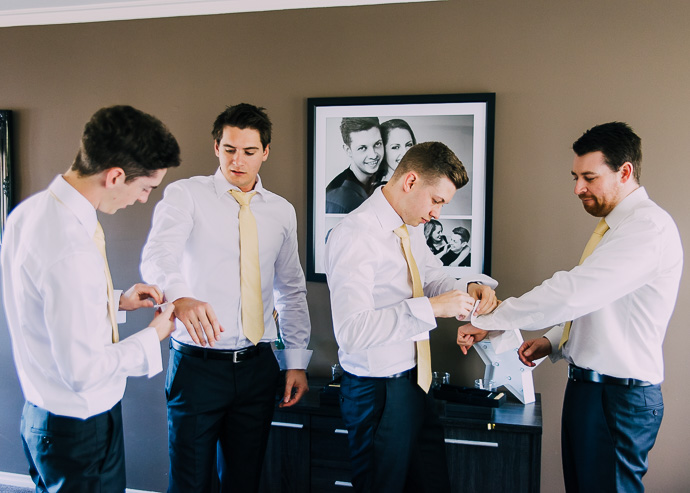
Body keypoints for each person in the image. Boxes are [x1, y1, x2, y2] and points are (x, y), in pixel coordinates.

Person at [457, 122, 683, 493]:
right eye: (576, 177)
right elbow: (600, 303)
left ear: (625, 171)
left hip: (617, 399)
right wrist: (552, 340)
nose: (578, 188)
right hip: (593, 393)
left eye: (589, 177)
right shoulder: (619, 228)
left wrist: (490, 317)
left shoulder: (647, 229)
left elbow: (573, 292)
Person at [0, 105, 180, 492]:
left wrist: (116, 300)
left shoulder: (29, 213)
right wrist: (153, 335)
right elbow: (83, 371)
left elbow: (41, 299)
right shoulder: (71, 246)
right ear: (115, 176)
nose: (144, 200)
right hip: (79, 431)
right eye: (146, 188)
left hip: (41, 417)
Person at [140, 103, 312, 493]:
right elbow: (158, 254)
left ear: (265, 152)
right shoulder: (186, 195)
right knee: (190, 484)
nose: (238, 160)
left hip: (258, 366)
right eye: (230, 149)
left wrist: (296, 361)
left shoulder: (282, 212)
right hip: (198, 368)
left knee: (243, 482)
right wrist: (179, 297)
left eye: (249, 151)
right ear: (216, 146)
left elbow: (291, 289)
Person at [324, 141, 499, 493]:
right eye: (436, 201)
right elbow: (352, 331)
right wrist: (434, 309)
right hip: (376, 393)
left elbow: (431, 277)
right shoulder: (354, 235)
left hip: (415, 384)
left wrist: (471, 285)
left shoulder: (410, 227)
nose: (436, 214)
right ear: (410, 181)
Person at [326, 117, 383, 213]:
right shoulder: (337, 196)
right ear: (348, 151)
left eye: (377, 144)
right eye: (362, 148)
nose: (373, 155)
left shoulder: (381, 180)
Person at [374, 118, 417, 185]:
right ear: (383, 152)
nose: (405, 153)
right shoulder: (381, 190)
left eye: (409, 145)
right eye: (395, 147)